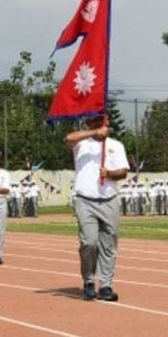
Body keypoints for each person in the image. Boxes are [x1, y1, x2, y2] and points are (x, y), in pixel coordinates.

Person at [65, 114, 129, 302]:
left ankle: (106, 285)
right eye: (99, 121)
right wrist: (94, 133)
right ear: (90, 123)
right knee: (89, 243)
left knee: (109, 245)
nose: (104, 124)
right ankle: (89, 280)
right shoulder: (81, 145)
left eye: (104, 121)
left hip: (109, 199)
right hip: (86, 199)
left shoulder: (115, 145)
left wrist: (109, 173)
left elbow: (123, 172)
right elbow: (68, 139)